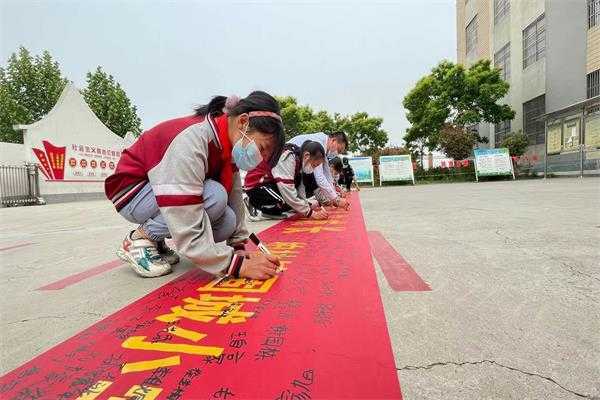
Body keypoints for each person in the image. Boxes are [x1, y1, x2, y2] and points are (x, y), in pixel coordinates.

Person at [105, 92, 284, 279]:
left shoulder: (227, 146)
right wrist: (236, 266)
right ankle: (139, 238)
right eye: (261, 148)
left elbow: (235, 195)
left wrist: (238, 247)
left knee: (227, 221)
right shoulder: (194, 137)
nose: (258, 159)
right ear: (242, 122)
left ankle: (156, 241)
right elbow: (184, 208)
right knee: (215, 196)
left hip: (156, 192)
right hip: (133, 192)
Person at [244, 140, 329, 220]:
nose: (313, 169)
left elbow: (300, 189)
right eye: (314, 165)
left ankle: (268, 205)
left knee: (297, 203)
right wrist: (310, 213)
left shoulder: (299, 163)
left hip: (270, 184)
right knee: (287, 201)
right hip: (257, 185)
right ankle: (263, 208)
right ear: (307, 156)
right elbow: (287, 190)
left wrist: (305, 206)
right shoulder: (288, 157)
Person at [287, 132, 350, 209]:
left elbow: (327, 175)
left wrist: (334, 196)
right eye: (339, 150)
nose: (337, 154)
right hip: (286, 166)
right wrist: (336, 199)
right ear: (333, 140)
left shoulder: (324, 145)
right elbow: (319, 177)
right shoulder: (319, 145)